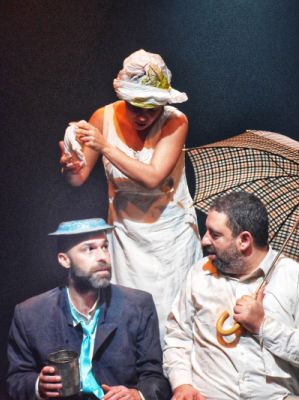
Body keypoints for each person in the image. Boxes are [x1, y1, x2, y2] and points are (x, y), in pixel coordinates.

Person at [59, 49, 202, 340]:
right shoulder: (103, 117)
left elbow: (152, 177)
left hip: (170, 237)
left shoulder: (176, 121)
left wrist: (105, 147)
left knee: (172, 319)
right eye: (136, 106)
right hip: (126, 235)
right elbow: (78, 178)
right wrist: (70, 166)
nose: (143, 115)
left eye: (152, 108)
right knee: (130, 317)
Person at [163, 192, 299, 400]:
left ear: (244, 240)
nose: (204, 240)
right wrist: (182, 385)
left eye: (215, 235)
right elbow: (178, 336)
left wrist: (263, 326)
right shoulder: (199, 273)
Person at [7, 218, 171, 400]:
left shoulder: (138, 305)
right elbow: (16, 380)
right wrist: (39, 385)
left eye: (105, 247)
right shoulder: (31, 313)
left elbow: (155, 378)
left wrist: (137, 394)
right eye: (89, 249)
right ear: (64, 260)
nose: (103, 256)